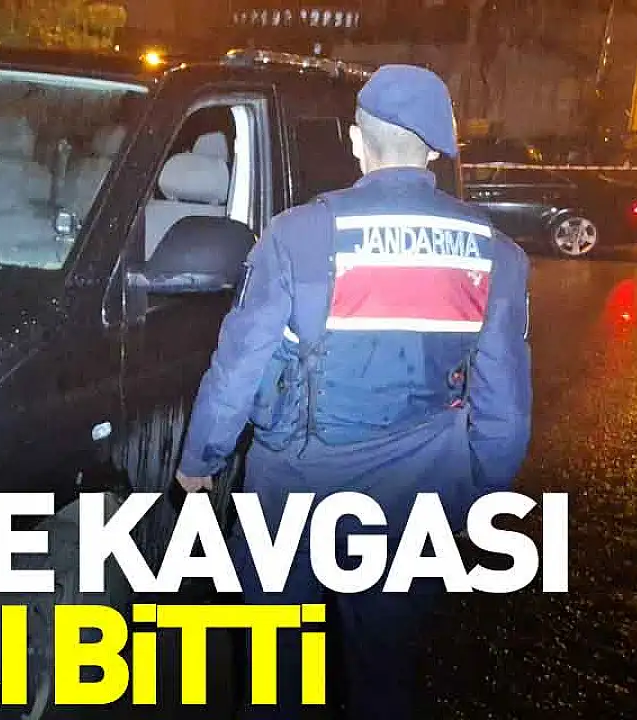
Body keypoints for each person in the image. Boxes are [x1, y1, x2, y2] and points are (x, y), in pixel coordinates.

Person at [174, 65, 532, 719]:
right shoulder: (496, 255)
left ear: (355, 141)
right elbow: (504, 408)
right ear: (434, 152)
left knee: (276, 678)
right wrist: (475, 492)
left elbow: (239, 363)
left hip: (294, 494)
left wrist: (202, 458)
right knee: (385, 672)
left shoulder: (296, 235)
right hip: (415, 499)